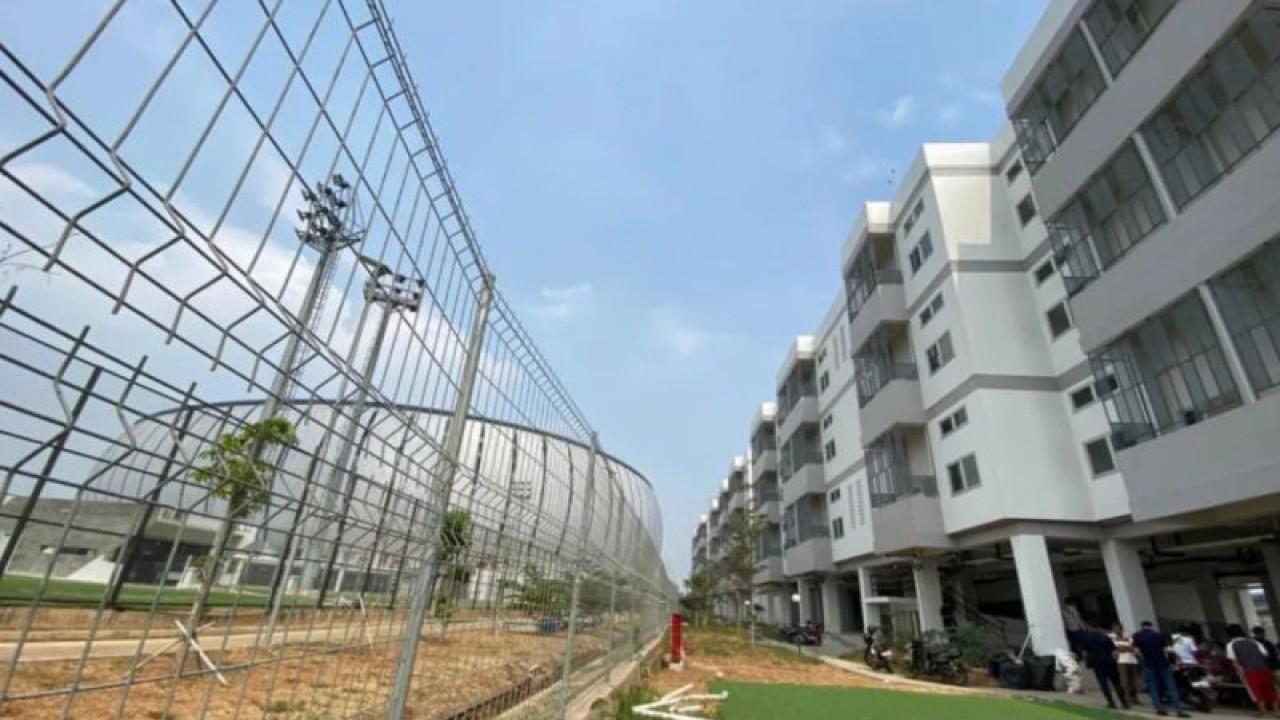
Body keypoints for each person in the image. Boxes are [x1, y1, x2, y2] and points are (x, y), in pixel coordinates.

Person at [1132, 620, 1191, 718]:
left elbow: (1137, 651)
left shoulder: (1137, 636)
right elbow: (1165, 651)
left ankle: (1159, 709)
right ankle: (1179, 710)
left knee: (1153, 686)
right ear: (1151, 626)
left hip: (1149, 664)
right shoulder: (1158, 635)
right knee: (1171, 686)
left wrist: (1143, 661)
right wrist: (1167, 661)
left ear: (1142, 627)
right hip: (1163, 664)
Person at [1227, 624, 1279, 717]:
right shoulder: (1254, 642)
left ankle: (1263, 711)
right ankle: (1276, 711)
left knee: (1256, 691)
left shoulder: (1231, 644)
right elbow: (1265, 655)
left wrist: (1240, 673)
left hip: (1249, 671)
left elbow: (1234, 660)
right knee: (1270, 689)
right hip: (1264, 668)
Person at [1078, 621, 1130, 710]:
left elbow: (1084, 652)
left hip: (1097, 664)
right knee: (1116, 683)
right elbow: (1113, 649)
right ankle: (1124, 702)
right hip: (1109, 662)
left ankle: (1111, 702)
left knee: (1103, 684)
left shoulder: (1086, 638)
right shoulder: (1105, 637)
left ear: (1089, 627)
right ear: (1098, 628)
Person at [1112, 623, 1141, 705]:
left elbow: (1133, 647)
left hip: (1132, 660)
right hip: (1122, 661)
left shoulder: (1127, 635)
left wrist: (1125, 648)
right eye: (1114, 629)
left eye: (1117, 629)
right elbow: (1118, 648)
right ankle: (1127, 698)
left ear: (1121, 629)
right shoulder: (1113, 637)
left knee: (1133, 680)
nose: (1115, 630)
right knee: (1124, 681)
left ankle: (1135, 698)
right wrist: (1127, 647)